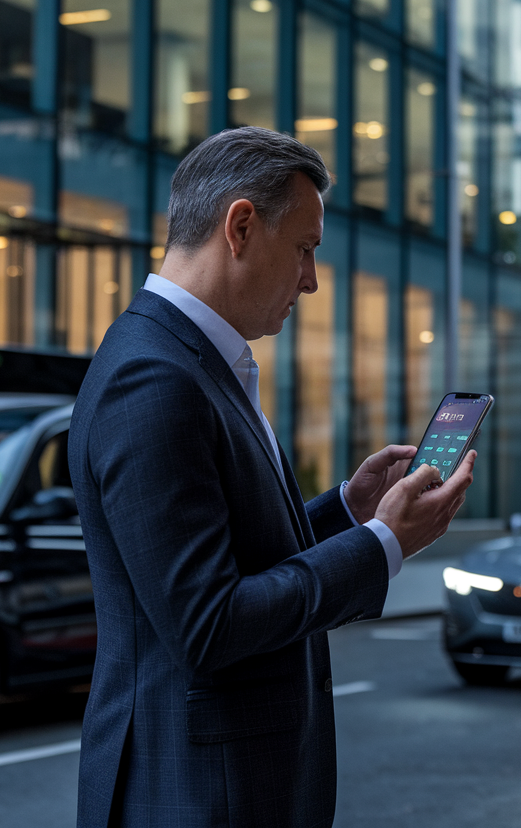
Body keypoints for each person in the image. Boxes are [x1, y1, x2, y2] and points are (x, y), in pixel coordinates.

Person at [67, 127, 475, 828]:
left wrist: (347, 511)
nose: (311, 280)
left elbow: (229, 550)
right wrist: (383, 544)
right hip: (197, 797)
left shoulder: (192, 360)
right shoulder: (154, 379)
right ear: (242, 226)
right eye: (305, 250)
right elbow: (207, 624)